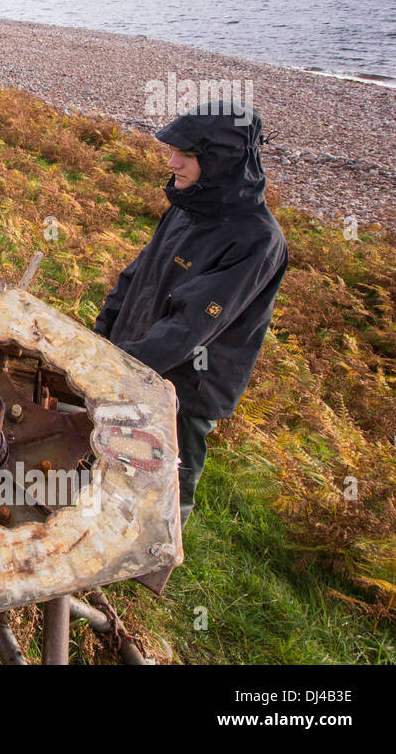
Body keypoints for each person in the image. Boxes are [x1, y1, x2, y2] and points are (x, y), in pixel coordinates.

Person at [93, 101, 287, 525]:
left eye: (187, 155)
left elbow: (191, 325)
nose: (171, 162)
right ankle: (102, 540)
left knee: (165, 494)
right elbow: (138, 273)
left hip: (187, 388)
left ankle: (154, 565)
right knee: (113, 464)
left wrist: (117, 367)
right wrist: (103, 334)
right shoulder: (187, 206)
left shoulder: (256, 239)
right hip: (136, 360)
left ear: (220, 161)